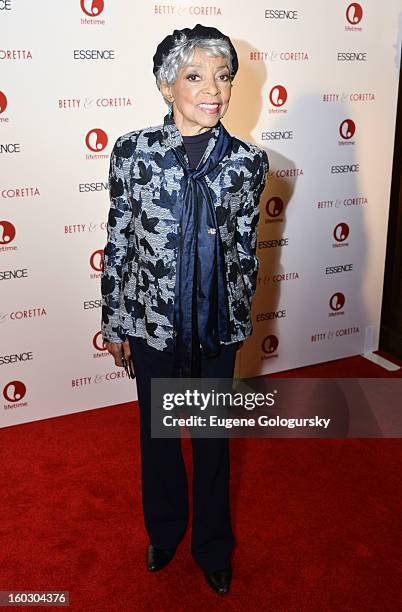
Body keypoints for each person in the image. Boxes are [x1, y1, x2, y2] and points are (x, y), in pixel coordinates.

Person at [101, 24, 269, 595]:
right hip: (152, 325)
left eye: (223, 76)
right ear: (166, 84)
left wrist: (238, 321)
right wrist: (116, 320)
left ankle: (214, 546)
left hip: (216, 329)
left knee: (213, 443)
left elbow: (246, 251)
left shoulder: (248, 162)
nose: (214, 89)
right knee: (160, 437)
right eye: (196, 76)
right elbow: (120, 240)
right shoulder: (133, 153)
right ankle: (166, 532)